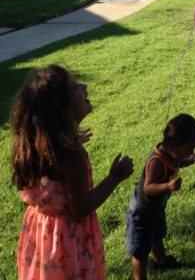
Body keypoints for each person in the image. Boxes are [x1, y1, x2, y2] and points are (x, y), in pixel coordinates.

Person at [10, 64, 134, 280]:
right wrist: (114, 178)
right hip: (69, 244)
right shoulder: (71, 155)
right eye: (76, 87)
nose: (85, 87)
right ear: (60, 111)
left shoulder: (41, 147)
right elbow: (80, 208)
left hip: (41, 238)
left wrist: (71, 137)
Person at [125, 113, 195, 279]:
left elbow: (178, 162)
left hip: (156, 209)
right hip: (142, 214)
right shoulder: (157, 162)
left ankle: (161, 262)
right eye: (189, 149)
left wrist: (191, 159)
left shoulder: (172, 154)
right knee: (140, 253)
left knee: (157, 237)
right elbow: (148, 187)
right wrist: (168, 186)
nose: (191, 151)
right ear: (174, 145)